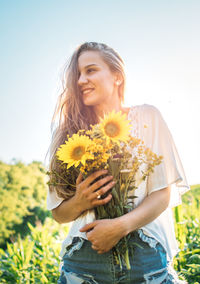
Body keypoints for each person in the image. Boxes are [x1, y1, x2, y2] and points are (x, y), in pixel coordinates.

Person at [46, 42, 189, 284]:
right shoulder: (68, 133)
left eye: (90, 70)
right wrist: (80, 200)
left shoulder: (147, 117)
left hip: (143, 255)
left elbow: (163, 192)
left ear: (117, 77)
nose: (81, 80)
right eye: (78, 74)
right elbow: (59, 213)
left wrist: (119, 227)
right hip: (84, 258)